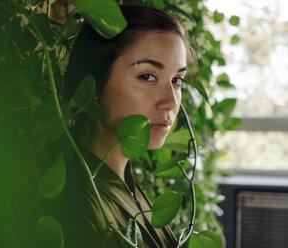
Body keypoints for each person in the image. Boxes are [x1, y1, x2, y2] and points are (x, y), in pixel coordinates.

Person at [60, 5, 195, 248]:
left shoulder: (125, 184)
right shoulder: (78, 208)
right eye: (148, 76)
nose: (171, 102)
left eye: (177, 80)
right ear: (92, 83)